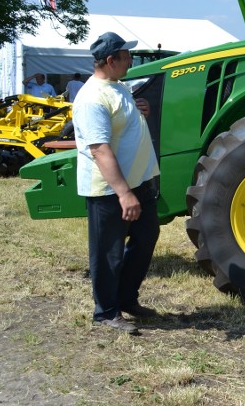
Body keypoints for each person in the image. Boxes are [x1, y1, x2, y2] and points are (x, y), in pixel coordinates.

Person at [72, 32, 160, 335]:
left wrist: (140, 110)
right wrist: (123, 192)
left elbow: (123, 118)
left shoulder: (118, 87)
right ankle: (106, 312)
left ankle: (126, 299)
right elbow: (99, 149)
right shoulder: (92, 98)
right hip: (110, 189)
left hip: (138, 183)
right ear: (110, 60)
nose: (131, 60)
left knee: (146, 237)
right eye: (126, 55)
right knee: (107, 251)